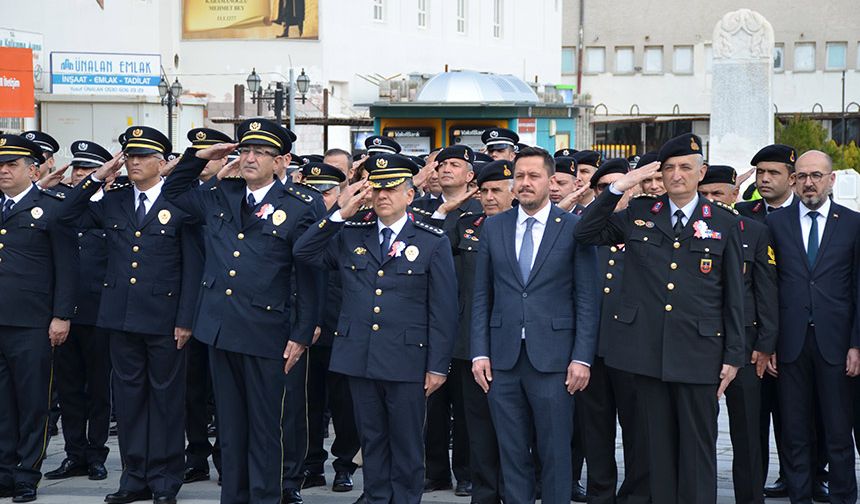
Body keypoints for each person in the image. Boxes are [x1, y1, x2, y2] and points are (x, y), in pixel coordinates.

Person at [575, 133, 744, 504]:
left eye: (686, 167)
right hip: (646, 352)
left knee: (698, 449)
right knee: (657, 451)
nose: (677, 174)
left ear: (701, 173)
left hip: (699, 353)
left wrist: (733, 356)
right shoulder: (638, 214)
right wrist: (621, 186)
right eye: (669, 168)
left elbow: (734, 295)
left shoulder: (724, 222)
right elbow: (584, 232)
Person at [161, 118, 321, 504]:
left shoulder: (299, 205)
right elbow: (174, 191)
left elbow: (310, 274)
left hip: (268, 332)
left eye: (260, 153)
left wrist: (301, 333)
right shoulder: (221, 194)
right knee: (230, 429)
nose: (249, 158)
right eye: (245, 150)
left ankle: (266, 496)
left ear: (281, 161)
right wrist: (200, 157)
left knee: (266, 429)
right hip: (220, 328)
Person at [293, 153, 457, 504]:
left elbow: (443, 311)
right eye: (377, 188)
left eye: (392, 188)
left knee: (407, 441)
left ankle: (405, 498)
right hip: (360, 356)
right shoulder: (351, 234)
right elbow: (304, 252)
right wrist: (339, 213)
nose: (382, 195)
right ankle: (377, 496)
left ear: (409, 194)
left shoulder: (431, 241)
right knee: (372, 437)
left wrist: (437, 366)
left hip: (407, 359)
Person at [64, 126, 202, 504]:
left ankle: (164, 479)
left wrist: (186, 318)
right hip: (120, 317)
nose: (134, 161)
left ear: (162, 162)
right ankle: (134, 477)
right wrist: (97, 177)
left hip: (165, 319)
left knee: (166, 401)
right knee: (129, 401)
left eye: (142, 156)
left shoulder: (180, 201)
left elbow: (193, 264)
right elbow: (65, 214)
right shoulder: (115, 200)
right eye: (130, 155)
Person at [471, 147, 599, 504]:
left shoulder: (574, 228)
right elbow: (483, 295)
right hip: (503, 360)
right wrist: (480, 352)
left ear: (552, 180)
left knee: (555, 452)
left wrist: (582, 358)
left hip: (556, 361)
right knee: (511, 454)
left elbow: (587, 299)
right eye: (520, 176)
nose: (525, 183)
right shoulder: (495, 226)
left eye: (534, 176)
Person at [767, 150, 860, 504]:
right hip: (789, 345)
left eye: (817, 175)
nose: (809, 182)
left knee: (838, 432)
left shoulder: (852, 224)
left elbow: (857, 289)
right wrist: (769, 343)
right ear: (794, 179)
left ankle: (843, 497)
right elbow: (768, 288)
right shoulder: (775, 225)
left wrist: (857, 344)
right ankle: (799, 497)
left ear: (831, 180)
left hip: (837, 346)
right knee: (794, 432)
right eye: (802, 175)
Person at [0, 134, 76, 503]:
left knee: (32, 401)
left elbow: (67, 268)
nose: (3, 170)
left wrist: (61, 316)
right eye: (0, 165)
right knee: (1, 403)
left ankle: (27, 473)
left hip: (32, 322)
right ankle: (4, 471)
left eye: (11, 165)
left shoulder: (52, 208)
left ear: (32, 170)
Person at [698, 164, 778, 504]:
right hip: (700, 343)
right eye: (705, 194)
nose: (712, 200)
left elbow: (766, 291)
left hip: (745, 345)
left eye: (719, 193)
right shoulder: (691, 228)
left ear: (735, 195)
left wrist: (766, 343)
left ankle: (749, 497)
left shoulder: (755, 231)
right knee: (701, 431)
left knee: (747, 431)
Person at [575, 158, 650, 504]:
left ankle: (635, 494)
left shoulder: (646, 222)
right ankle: (600, 494)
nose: (612, 193)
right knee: (596, 431)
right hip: (594, 348)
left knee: (638, 431)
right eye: (603, 188)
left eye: (619, 185)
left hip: (633, 348)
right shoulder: (592, 227)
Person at [43, 140, 113, 485]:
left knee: (99, 388)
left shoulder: (113, 206)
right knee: (69, 388)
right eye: (77, 170)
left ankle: (97, 453)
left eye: (88, 170)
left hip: (101, 313)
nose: (80, 175)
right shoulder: (66, 206)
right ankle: (74, 453)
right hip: (66, 312)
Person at [445, 159, 515, 504]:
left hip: (514, 342)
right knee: (477, 425)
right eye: (484, 191)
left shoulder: (524, 228)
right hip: (470, 341)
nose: (488, 197)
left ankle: (514, 488)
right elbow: (434, 251)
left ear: (513, 192)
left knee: (515, 427)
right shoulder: (467, 225)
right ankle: (482, 489)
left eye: (496, 191)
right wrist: (446, 209)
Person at [299, 162, 361, 494]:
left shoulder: (355, 223)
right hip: (310, 327)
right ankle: (311, 463)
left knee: (345, 403)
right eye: (314, 192)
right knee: (309, 401)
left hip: (343, 327)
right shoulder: (304, 223)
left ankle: (344, 464)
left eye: (326, 192)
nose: (320, 199)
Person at [181, 128, 233, 486]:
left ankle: (226, 457)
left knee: (226, 393)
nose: (206, 161)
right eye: (201, 155)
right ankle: (196, 455)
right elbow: (175, 195)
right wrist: (193, 162)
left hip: (226, 309)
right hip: (190, 308)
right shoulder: (193, 194)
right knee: (192, 390)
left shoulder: (233, 192)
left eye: (212, 155)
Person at [736, 144, 797, 222]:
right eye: (760, 172)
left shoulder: (806, 211)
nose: (764, 179)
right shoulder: (742, 212)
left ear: (791, 179)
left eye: (773, 173)